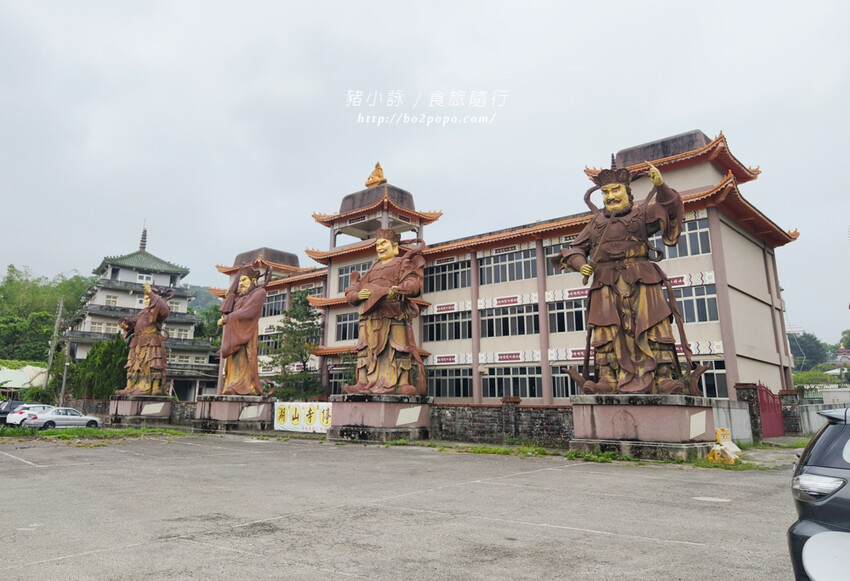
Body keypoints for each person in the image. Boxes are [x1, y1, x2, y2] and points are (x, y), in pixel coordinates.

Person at [554, 161, 702, 395]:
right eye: (606, 192)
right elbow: (574, 249)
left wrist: (660, 186)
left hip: (643, 280)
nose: (610, 196)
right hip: (604, 283)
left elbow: (672, 208)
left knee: (655, 327)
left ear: (627, 191)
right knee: (606, 332)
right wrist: (580, 264)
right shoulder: (595, 223)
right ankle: (608, 378)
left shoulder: (642, 214)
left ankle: (662, 378)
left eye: (616, 190)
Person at [343, 228, 426, 395]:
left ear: (394, 246)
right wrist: (357, 295)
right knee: (365, 349)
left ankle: (402, 383)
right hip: (370, 316)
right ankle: (363, 381)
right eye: (378, 245)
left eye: (383, 244)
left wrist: (402, 288)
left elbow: (413, 282)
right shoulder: (373, 268)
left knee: (399, 348)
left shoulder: (403, 263)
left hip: (394, 312)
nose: (380, 248)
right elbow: (353, 288)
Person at [217, 265, 269, 396]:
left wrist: (226, 319)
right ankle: (231, 383)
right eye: (240, 281)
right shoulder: (240, 296)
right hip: (235, 331)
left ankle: (244, 386)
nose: (241, 284)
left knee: (244, 359)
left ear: (254, 281)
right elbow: (231, 309)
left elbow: (248, 312)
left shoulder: (259, 293)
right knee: (233, 359)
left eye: (244, 280)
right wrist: (230, 297)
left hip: (247, 330)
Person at [116, 283, 172, 396]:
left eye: (148, 299)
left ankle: (154, 387)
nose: (146, 301)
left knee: (152, 364)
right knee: (132, 366)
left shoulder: (159, 310)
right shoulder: (142, 313)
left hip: (151, 341)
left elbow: (165, 310)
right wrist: (127, 326)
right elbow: (135, 325)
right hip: (138, 343)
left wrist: (151, 293)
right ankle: (130, 386)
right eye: (145, 299)